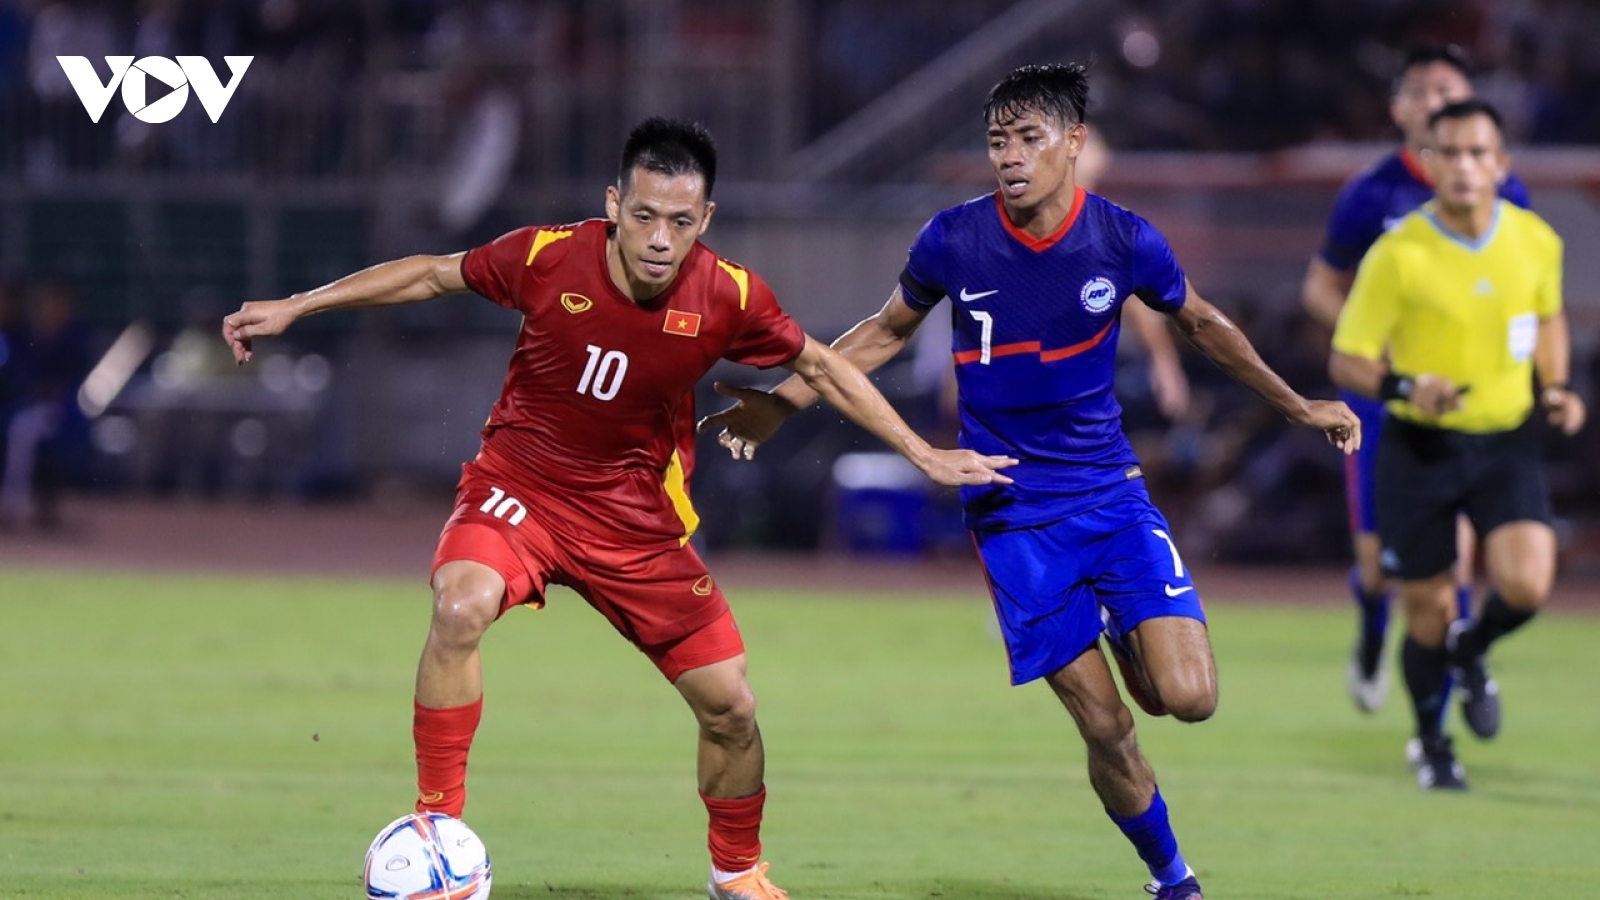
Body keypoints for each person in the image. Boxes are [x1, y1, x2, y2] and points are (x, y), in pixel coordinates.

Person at [221, 117, 1017, 900]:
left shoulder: (729, 294)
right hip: (520, 489)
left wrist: (923, 453)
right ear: (613, 204)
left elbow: (824, 365)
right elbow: (433, 272)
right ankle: (437, 832)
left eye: (679, 221)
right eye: (643, 216)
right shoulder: (546, 256)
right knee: (459, 605)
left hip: (635, 522)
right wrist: (299, 304)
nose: (660, 239)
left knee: (732, 707)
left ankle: (736, 871)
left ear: (704, 220)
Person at [699, 64, 1359, 900]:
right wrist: (783, 404)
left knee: (1185, 698)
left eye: (1028, 139)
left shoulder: (1121, 239)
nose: (1009, 157)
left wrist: (1297, 404)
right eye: (997, 142)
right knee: (1107, 726)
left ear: (1074, 145)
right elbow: (879, 334)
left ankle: (1126, 628)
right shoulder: (953, 238)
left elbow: (1202, 323)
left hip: (1111, 494)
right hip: (1012, 512)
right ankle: (1174, 880)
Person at [1330, 98, 1584, 791]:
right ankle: (1431, 741)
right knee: (1427, 613)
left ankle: (1474, 648)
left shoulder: (1535, 240)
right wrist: (1408, 387)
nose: (1466, 167)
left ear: (1502, 165)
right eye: (1452, 153)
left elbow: (1549, 316)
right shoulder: (1398, 253)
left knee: (1528, 584)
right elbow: (1346, 361)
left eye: (1480, 153)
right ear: (1431, 164)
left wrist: (1556, 385)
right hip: (1419, 447)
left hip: (1505, 441)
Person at [1300, 42, 1532, 715]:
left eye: (1449, 89)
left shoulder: (1504, 191)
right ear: (1400, 107)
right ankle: (1373, 626)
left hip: (1465, 400)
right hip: (1382, 400)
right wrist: (1370, 341)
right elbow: (1320, 285)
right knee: (1382, 568)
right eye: (1424, 90)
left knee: (1454, 554)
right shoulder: (1371, 193)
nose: (1437, 102)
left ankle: (1458, 677)